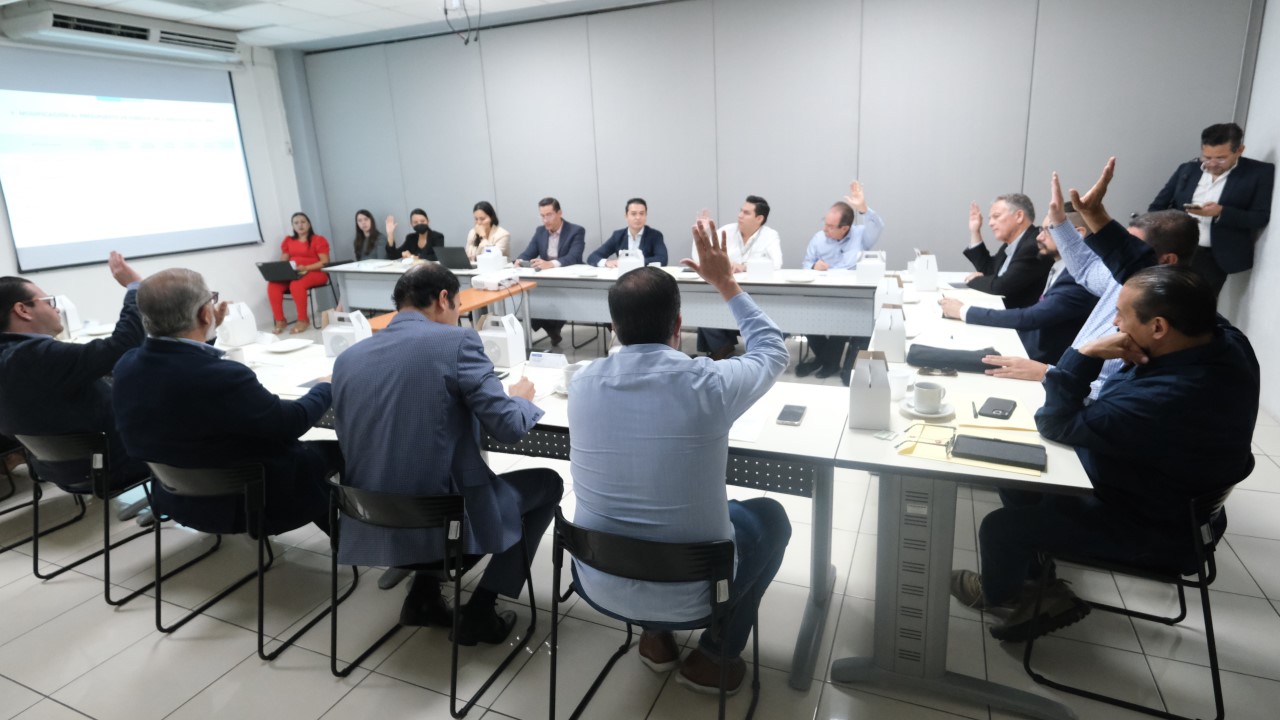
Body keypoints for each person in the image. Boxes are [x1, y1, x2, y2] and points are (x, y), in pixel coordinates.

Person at [954, 256, 1258, 641]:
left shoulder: (1162, 399)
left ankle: (1004, 595)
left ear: (1159, 327)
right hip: (1172, 501)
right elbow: (1179, 290)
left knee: (1000, 528)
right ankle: (1037, 583)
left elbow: (1055, 423)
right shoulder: (1227, 342)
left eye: (1121, 315)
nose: (1114, 323)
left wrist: (1085, 354)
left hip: (1148, 526)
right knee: (1018, 474)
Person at [569, 224, 792, 695]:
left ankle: (655, 640)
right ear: (679, 326)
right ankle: (715, 657)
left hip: (598, 576)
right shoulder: (709, 383)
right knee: (770, 517)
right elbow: (773, 350)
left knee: (642, 501)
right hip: (696, 590)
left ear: (614, 329)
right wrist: (726, 282)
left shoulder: (581, 384)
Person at [331, 263, 562, 643]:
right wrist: (520, 399)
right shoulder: (457, 342)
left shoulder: (348, 358)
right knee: (549, 484)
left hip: (372, 519)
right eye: (458, 306)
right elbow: (507, 427)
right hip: (443, 525)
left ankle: (423, 595)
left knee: (427, 467)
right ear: (443, 299)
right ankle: (481, 609)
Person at [113, 269, 334, 537]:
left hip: (178, 497)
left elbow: (185, 370)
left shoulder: (127, 365)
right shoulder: (224, 377)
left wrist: (207, 333)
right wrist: (325, 387)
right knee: (337, 452)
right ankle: (348, 540)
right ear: (204, 314)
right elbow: (291, 423)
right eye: (211, 299)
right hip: (251, 504)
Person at [981, 164, 1198, 398]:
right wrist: (1059, 222)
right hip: (1061, 384)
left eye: (1131, 246)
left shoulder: (1170, 322)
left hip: (1078, 398)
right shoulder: (1124, 277)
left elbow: (1117, 392)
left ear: (1167, 261)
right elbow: (1085, 268)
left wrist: (1047, 374)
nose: (1118, 252)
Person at [0, 253, 148, 489]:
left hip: (57, 471)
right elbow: (123, 344)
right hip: (116, 465)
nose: (57, 309)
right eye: (49, 302)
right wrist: (135, 287)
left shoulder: (13, 356)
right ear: (23, 310)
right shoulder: (35, 356)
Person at [939, 207, 1097, 364]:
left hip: (1038, 361)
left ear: (1078, 234)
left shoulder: (1079, 280)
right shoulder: (1061, 267)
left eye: (1048, 230)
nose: (1039, 237)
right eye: (1041, 230)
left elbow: (1031, 317)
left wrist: (963, 311)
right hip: (1026, 344)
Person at [1149, 122, 1275, 295]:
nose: (1213, 164)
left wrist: (1220, 212)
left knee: (1199, 305)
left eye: (1221, 158)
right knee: (1162, 299)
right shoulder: (1188, 170)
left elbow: (1260, 217)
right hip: (1175, 249)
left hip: (1213, 256)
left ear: (1239, 150)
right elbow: (1156, 208)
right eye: (1207, 157)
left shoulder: (1259, 173)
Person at [796, 181, 884, 383]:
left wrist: (863, 208)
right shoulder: (818, 238)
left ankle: (828, 363)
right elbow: (805, 265)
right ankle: (828, 361)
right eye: (824, 223)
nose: (824, 229)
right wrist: (813, 267)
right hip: (820, 294)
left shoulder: (861, 236)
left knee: (844, 318)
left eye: (830, 226)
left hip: (851, 297)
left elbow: (878, 225)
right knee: (803, 317)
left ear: (845, 228)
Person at [693, 195, 782, 359]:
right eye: (740, 211)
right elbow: (701, 258)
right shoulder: (726, 231)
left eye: (746, 213)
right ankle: (723, 348)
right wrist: (702, 233)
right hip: (725, 291)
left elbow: (776, 263)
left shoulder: (770, 235)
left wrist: (744, 266)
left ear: (759, 218)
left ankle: (748, 351)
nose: (740, 215)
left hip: (757, 294)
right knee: (705, 308)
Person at [962, 194, 1054, 309]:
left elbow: (1001, 287)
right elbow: (989, 270)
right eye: (990, 218)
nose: (990, 223)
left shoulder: (1034, 245)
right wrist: (975, 231)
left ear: (1019, 216)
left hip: (1018, 315)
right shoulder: (1013, 242)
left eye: (996, 216)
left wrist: (973, 280)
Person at [515, 197, 586, 345]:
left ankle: (553, 327)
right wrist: (519, 261)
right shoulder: (540, 231)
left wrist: (551, 264)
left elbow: (574, 257)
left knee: (551, 299)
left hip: (570, 281)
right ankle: (551, 328)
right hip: (547, 280)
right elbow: (528, 252)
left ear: (559, 213)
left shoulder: (576, 230)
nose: (545, 220)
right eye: (542, 216)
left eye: (549, 215)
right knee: (531, 299)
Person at [268, 212, 331, 335]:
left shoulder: (318, 240)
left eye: (303, 222)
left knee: (296, 284)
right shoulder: (288, 240)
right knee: (273, 285)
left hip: (316, 272)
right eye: (296, 223)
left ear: (309, 224)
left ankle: (303, 320)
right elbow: (283, 261)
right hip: (295, 274)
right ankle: (280, 320)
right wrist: (280, 271)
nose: (300, 225)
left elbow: (324, 262)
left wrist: (306, 268)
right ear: (292, 226)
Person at [588, 198, 668, 268]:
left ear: (645, 216)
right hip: (623, 277)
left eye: (641, 213)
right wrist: (606, 262)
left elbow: (662, 259)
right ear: (626, 216)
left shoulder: (655, 235)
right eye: (633, 214)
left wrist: (631, 263)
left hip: (646, 277)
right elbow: (593, 257)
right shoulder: (618, 235)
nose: (638, 217)